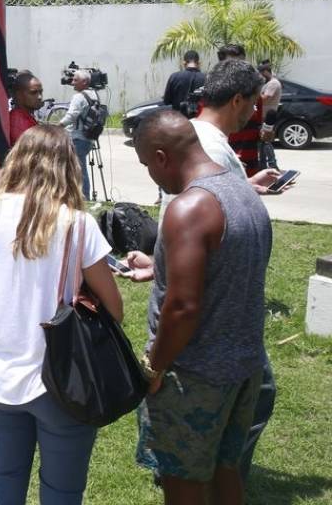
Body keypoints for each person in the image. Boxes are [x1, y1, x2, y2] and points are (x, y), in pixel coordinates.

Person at [121, 60, 284, 487]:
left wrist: (153, 368)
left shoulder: (189, 207)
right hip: (244, 366)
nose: (151, 175)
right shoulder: (243, 193)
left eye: (147, 166)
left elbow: (183, 307)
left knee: (184, 485)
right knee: (227, 474)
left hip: (196, 377)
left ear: (161, 157)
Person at [0, 124, 124, 505]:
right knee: (62, 493)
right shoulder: (76, 223)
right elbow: (115, 310)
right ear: (67, 166)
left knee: (2, 485)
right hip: (63, 380)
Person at [216, 44, 264, 176]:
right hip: (224, 166)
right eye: (233, 64)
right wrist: (231, 159)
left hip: (251, 167)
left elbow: (258, 126)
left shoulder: (255, 94)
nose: (239, 69)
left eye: (242, 63)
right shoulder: (213, 94)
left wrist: (265, 134)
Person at [58, 69, 96, 199]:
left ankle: (84, 197)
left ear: (85, 82)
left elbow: (72, 115)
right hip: (88, 138)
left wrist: (58, 126)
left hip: (78, 138)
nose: (72, 83)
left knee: (79, 170)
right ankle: (83, 195)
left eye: (75, 80)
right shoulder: (93, 95)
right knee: (81, 168)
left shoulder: (79, 97)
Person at [163, 50, 205, 114]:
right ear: (199, 63)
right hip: (200, 119)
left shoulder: (174, 77)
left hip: (179, 119)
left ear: (184, 63)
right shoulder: (206, 78)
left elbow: (166, 101)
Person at [258, 61, 282, 170]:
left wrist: (254, 94)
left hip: (268, 117)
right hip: (263, 115)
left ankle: (273, 164)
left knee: (265, 140)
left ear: (266, 72)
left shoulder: (273, 83)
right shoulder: (268, 83)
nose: (261, 75)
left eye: (262, 72)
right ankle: (263, 165)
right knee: (262, 142)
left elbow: (265, 98)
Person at [9, 72, 43, 145]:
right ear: (19, 95)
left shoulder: (25, 116)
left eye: (41, 92)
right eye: (33, 93)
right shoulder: (18, 121)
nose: (40, 97)